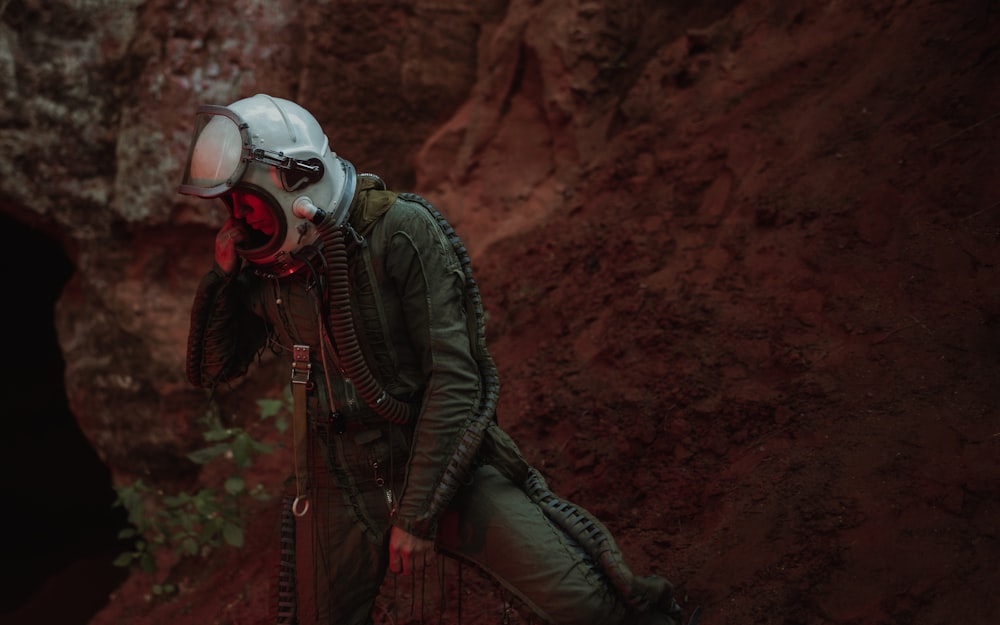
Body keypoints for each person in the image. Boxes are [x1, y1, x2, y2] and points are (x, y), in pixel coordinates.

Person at [180, 93, 685, 625]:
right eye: (228, 204)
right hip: (339, 481)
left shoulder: (401, 230)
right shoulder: (266, 267)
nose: (237, 218)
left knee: (591, 609)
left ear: (294, 180)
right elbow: (212, 371)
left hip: (442, 462)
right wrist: (223, 279)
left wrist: (418, 514)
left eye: (245, 199)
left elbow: (456, 381)